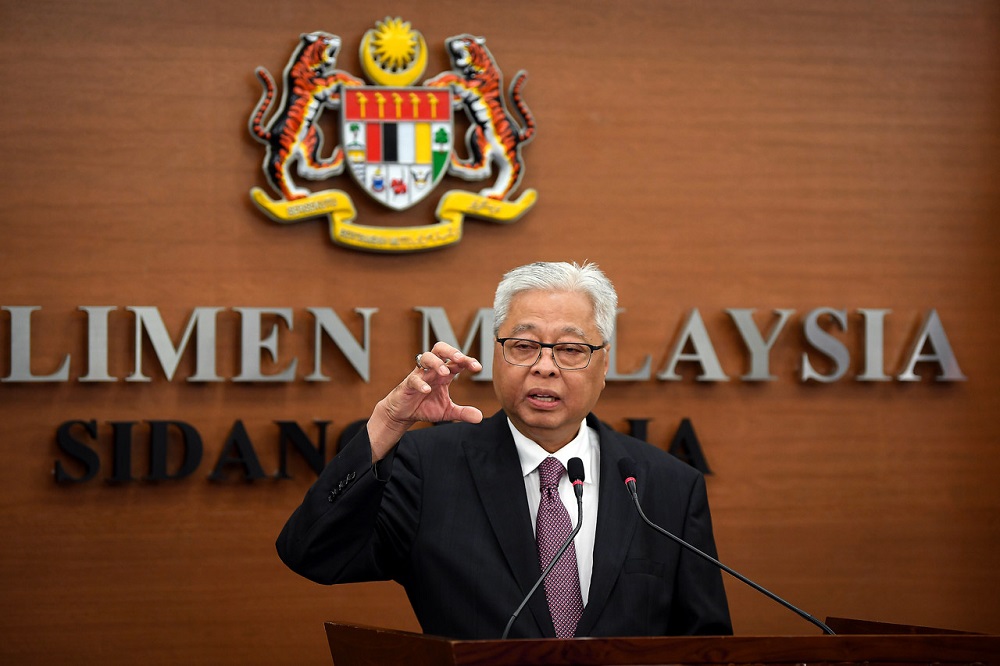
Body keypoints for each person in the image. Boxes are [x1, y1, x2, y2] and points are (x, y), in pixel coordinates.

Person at [276, 261, 732, 639]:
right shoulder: (426, 468)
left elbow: (707, 642)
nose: (545, 367)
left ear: (604, 362)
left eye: (571, 349)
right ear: (496, 353)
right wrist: (388, 423)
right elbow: (313, 554)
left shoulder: (665, 485)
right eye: (524, 345)